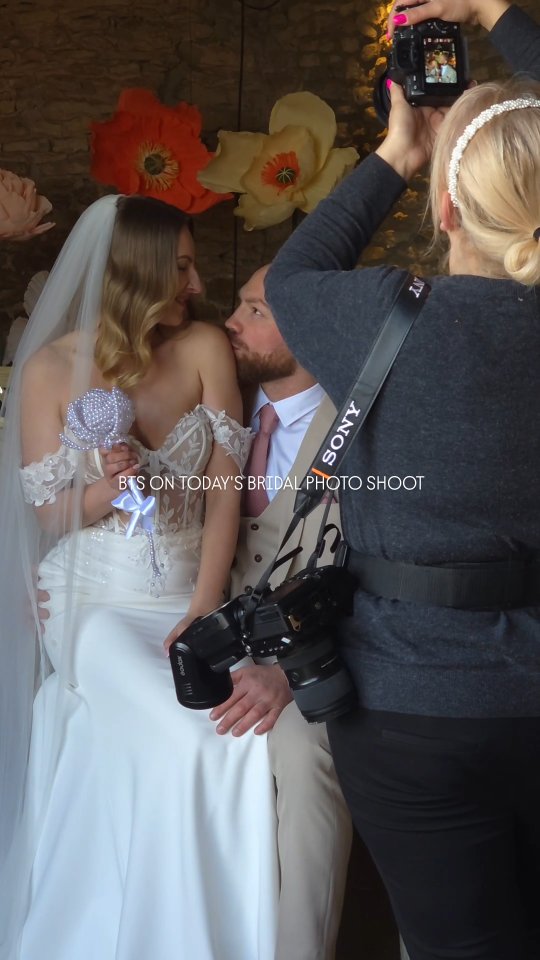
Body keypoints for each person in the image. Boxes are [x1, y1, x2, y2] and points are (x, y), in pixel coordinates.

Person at [263, 0, 540, 957]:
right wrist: (503, 13)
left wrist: (397, 151)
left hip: (410, 711)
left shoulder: (384, 316)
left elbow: (290, 278)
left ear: (449, 210)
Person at [0, 194, 279, 960]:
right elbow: (49, 514)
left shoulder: (201, 351)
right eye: (180, 266)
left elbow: (224, 495)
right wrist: (104, 487)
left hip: (187, 590)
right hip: (93, 599)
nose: (194, 285)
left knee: (244, 738)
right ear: (136, 272)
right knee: (194, 731)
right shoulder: (53, 370)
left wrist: (203, 608)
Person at [212, 265, 353, 960]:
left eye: (255, 309)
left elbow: (366, 572)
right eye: (239, 305)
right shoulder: (216, 406)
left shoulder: (358, 425)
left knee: (301, 756)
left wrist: (285, 670)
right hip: (211, 639)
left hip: (315, 654)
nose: (233, 323)